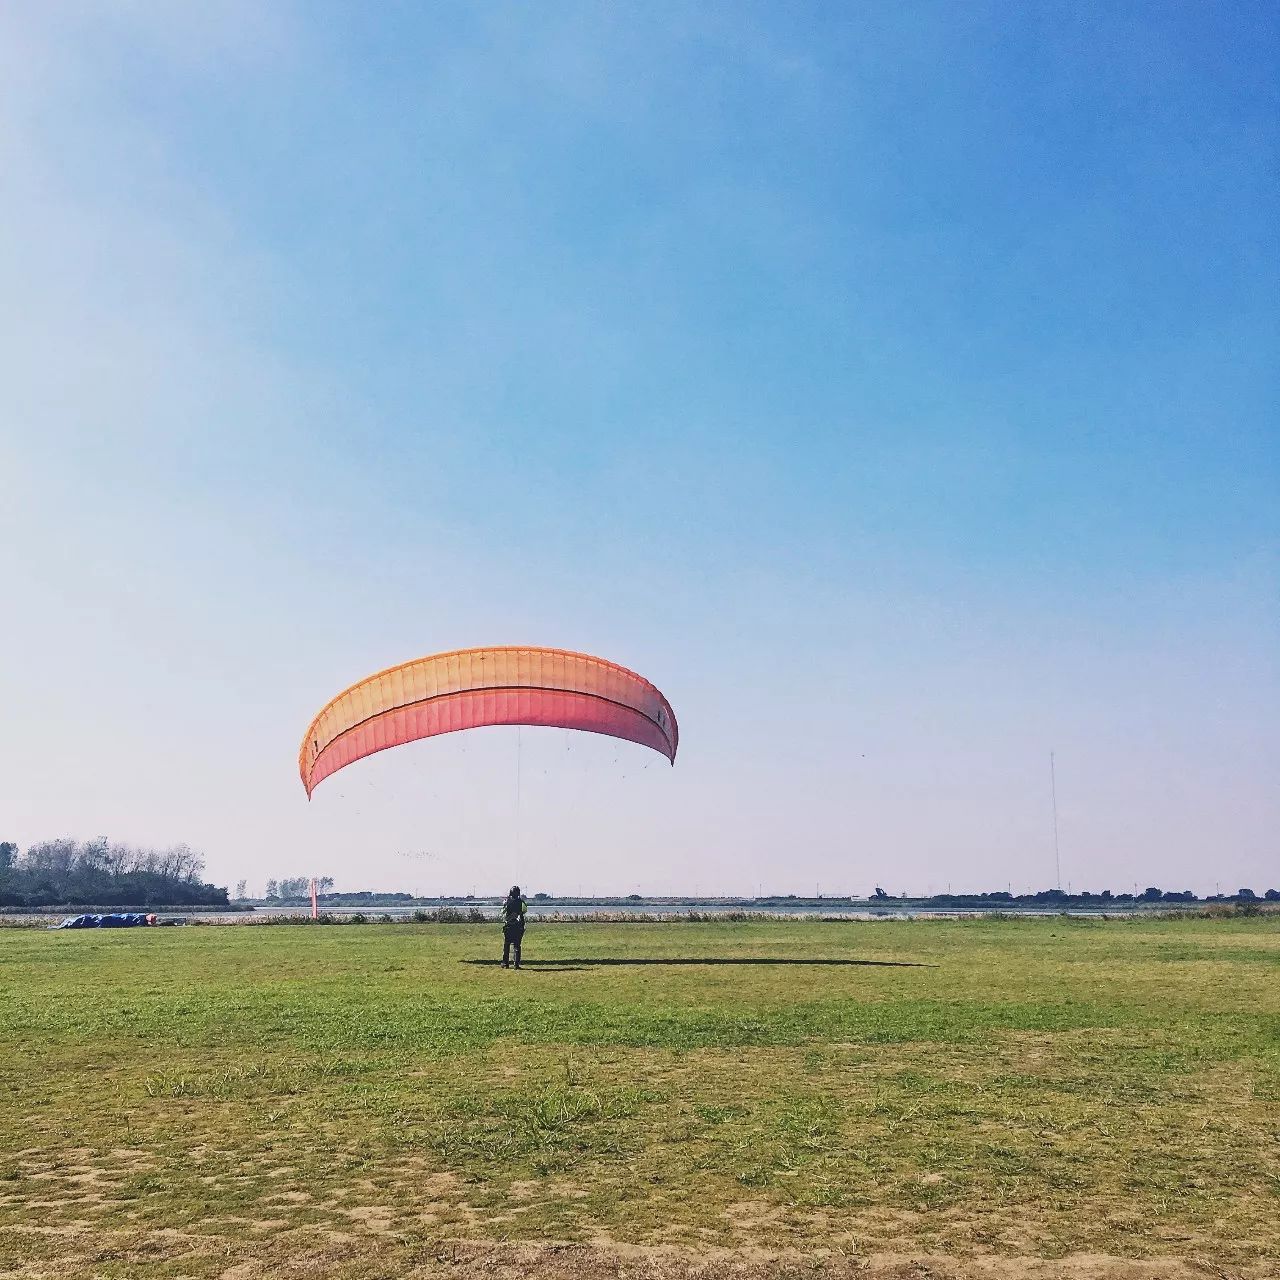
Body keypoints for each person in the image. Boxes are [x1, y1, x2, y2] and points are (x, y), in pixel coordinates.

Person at [501, 885, 527, 969]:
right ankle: (516, 964)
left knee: (507, 945)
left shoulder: (506, 901)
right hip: (518, 926)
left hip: (508, 926)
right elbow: (525, 910)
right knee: (517, 945)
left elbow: (502, 912)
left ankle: (505, 963)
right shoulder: (521, 902)